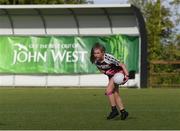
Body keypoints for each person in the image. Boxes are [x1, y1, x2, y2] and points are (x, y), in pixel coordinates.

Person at [90, 43, 129, 120]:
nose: (96, 55)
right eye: (94, 53)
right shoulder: (95, 60)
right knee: (115, 93)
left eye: (98, 53)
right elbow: (100, 68)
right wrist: (105, 72)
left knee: (108, 91)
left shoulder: (108, 58)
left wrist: (127, 76)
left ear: (103, 52)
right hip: (111, 75)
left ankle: (114, 110)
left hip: (118, 73)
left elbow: (122, 65)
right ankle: (123, 112)